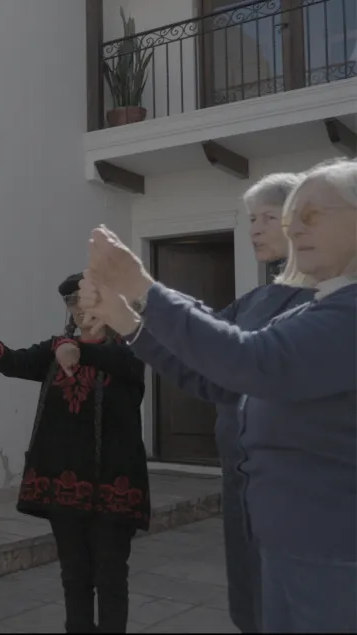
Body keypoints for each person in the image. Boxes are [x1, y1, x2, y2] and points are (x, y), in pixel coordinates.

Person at [78, 159, 357, 633]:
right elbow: (217, 378)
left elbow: (247, 359)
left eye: (313, 214)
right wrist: (126, 318)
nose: (293, 228)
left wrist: (141, 287)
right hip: (286, 538)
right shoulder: (311, 309)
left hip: (331, 552)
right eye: (291, 217)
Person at [132, 172, 314, 634]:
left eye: (267, 218)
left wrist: (142, 293)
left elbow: (236, 365)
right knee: (249, 599)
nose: (254, 228)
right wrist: (127, 322)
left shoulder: (322, 305)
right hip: (239, 476)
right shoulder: (256, 299)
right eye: (251, 218)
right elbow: (199, 357)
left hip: (291, 486)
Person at [0, 272, 148, 633]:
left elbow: (118, 362)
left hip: (114, 485)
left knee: (111, 577)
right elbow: (18, 360)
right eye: (73, 304)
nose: (80, 311)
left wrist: (76, 349)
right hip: (64, 487)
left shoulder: (130, 350)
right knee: (74, 576)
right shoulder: (56, 348)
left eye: (87, 301)